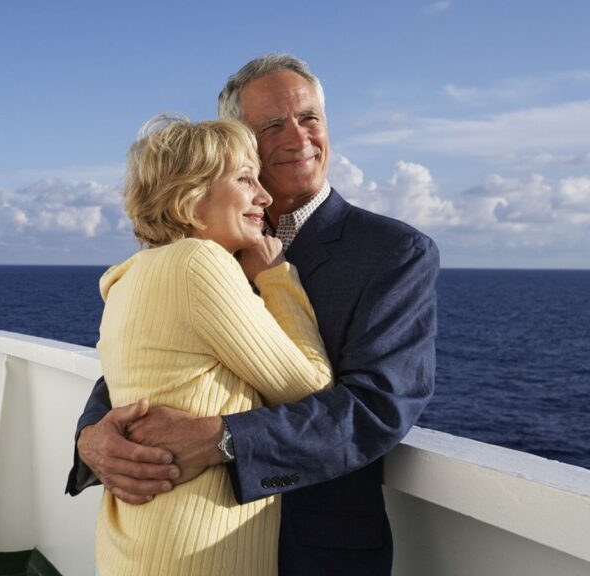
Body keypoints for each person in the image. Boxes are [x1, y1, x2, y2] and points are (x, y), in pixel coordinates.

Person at [67, 54, 439, 575]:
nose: (298, 137)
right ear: (238, 140)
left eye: (310, 118)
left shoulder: (394, 251)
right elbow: (146, 361)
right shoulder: (206, 248)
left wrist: (223, 439)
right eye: (272, 125)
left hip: (319, 550)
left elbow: (378, 406)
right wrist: (92, 437)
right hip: (197, 543)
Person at [93, 116, 332, 575]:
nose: (264, 196)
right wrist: (275, 276)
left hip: (140, 540)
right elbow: (312, 387)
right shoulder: (198, 261)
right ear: (190, 195)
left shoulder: (129, 277)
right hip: (197, 550)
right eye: (245, 179)